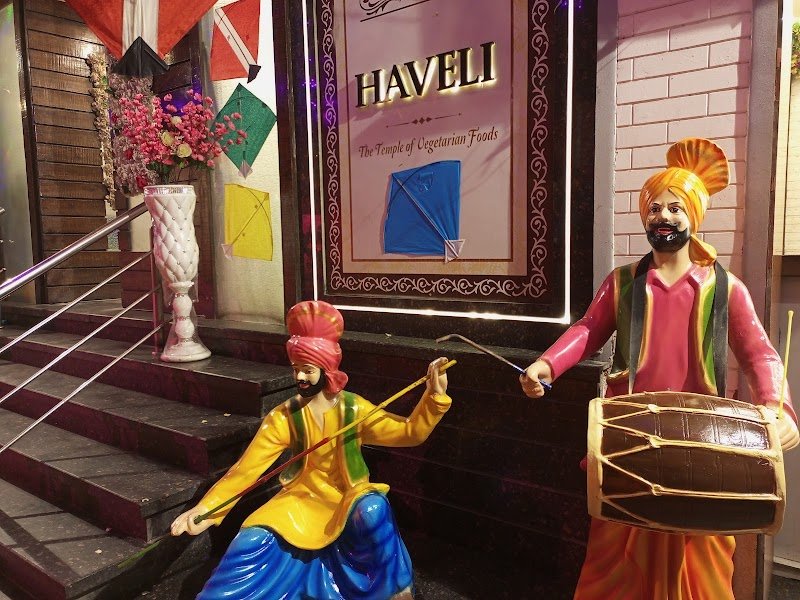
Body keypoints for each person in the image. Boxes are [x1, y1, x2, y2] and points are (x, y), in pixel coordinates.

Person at [520, 137, 800, 599]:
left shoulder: (726, 288)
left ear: (694, 217)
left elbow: (760, 353)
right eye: (654, 208)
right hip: (630, 438)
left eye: (675, 208)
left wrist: (779, 409)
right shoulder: (623, 282)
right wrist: (547, 365)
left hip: (702, 444)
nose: (663, 217)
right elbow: (589, 329)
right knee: (614, 549)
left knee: (704, 559)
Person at [171, 300, 451, 600]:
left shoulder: (353, 410)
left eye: (307, 370)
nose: (300, 378)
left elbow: (409, 433)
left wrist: (433, 398)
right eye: (296, 370)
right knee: (251, 538)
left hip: (348, 497)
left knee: (374, 510)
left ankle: (394, 590)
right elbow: (246, 470)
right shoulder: (285, 416)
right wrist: (207, 509)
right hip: (300, 500)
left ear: (327, 369)